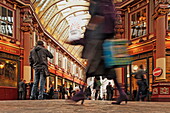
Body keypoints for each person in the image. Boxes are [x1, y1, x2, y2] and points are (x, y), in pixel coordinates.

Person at [67, 0, 128, 105]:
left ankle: (81, 92)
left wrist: (85, 38)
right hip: (106, 39)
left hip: (98, 40)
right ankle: (122, 93)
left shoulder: (99, 3)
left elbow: (97, 18)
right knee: (109, 69)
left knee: (91, 68)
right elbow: (112, 21)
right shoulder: (109, 4)